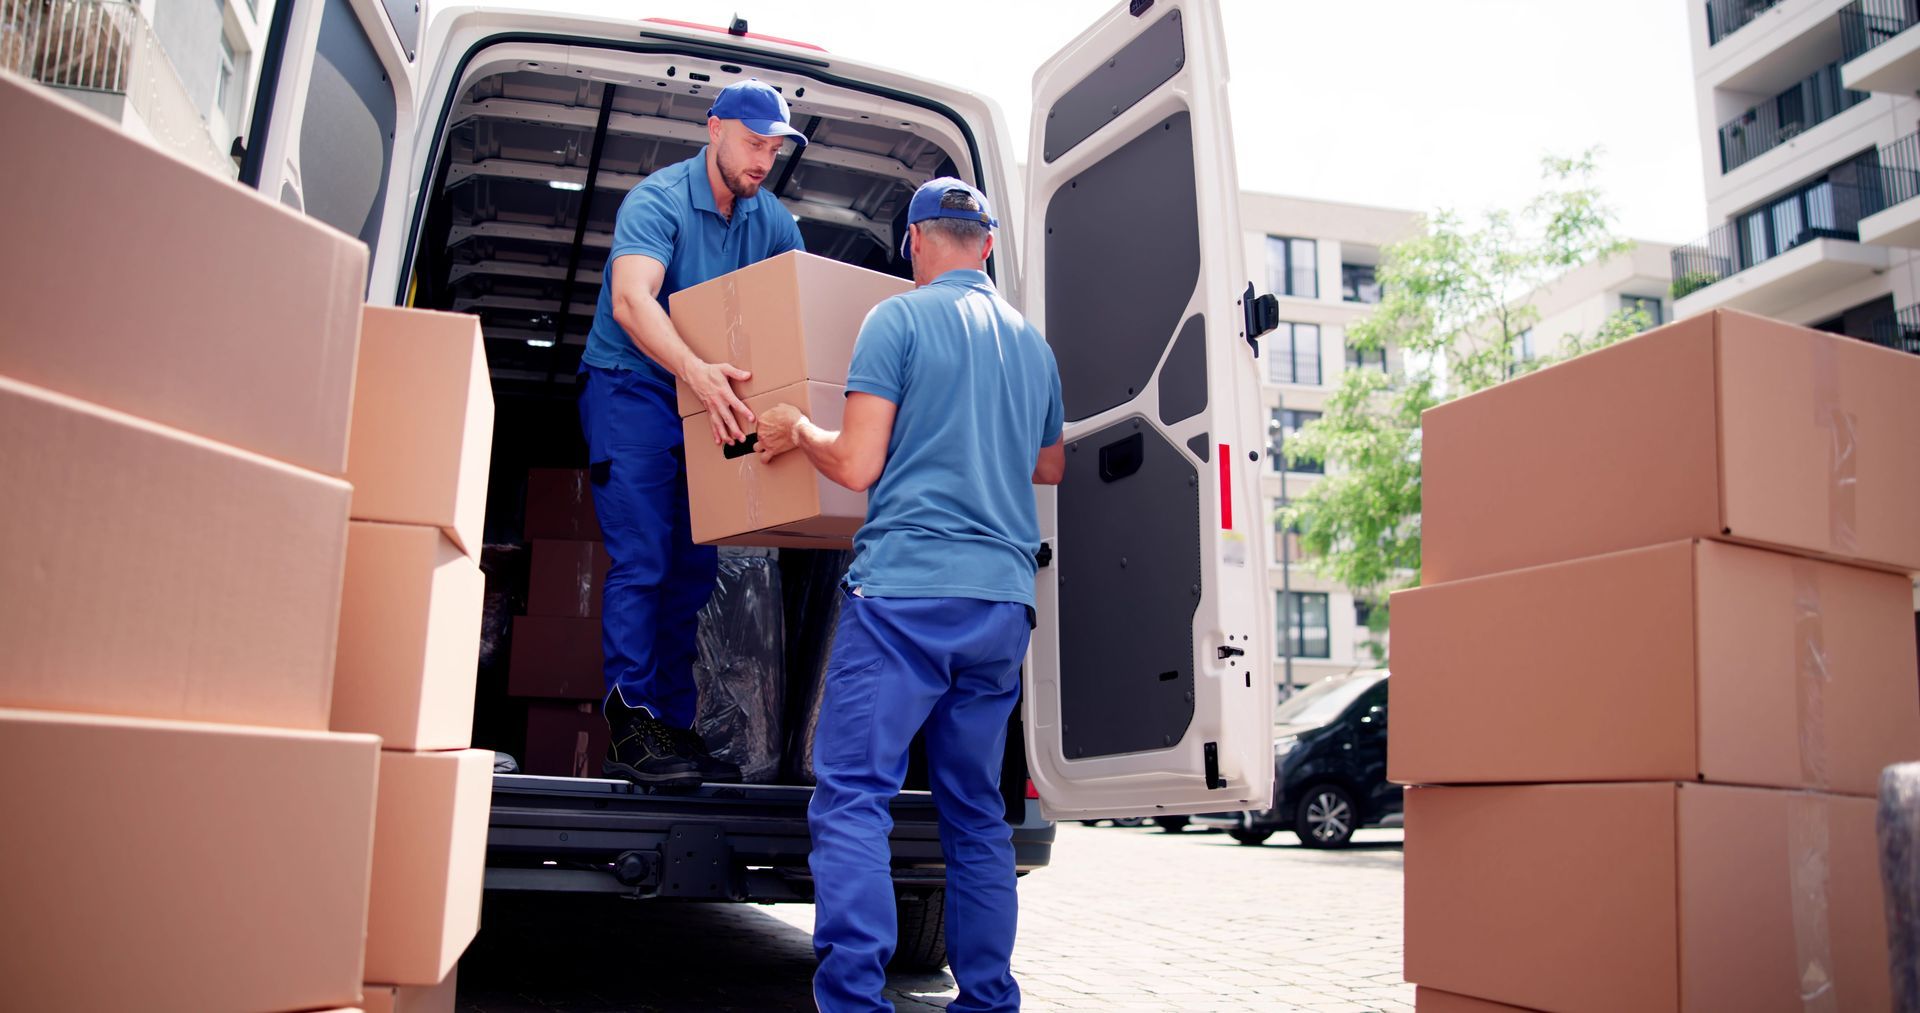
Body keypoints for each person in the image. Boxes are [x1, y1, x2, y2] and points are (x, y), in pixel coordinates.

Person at [754, 178, 1067, 1013]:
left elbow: (856, 463)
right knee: (977, 813)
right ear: (987, 245)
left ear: (916, 243)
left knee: (855, 796)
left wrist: (796, 429)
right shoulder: (1031, 346)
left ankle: (855, 1002)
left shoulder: (895, 319)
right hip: (1001, 604)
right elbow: (1051, 464)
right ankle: (988, 999)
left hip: (905, 596)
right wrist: (983, 435)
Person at [578, 79, 807, 787]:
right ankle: (630, 723)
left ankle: (672, 725)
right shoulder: (660, 200)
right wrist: (698, 373)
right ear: (714, 129)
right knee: (645, 558)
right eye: (752, 142)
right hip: (632, 386)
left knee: (693, 570)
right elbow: (631, 300)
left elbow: (795, 315)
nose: (763, 160)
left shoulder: (772, 222)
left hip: (709, 397)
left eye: (773, 149)